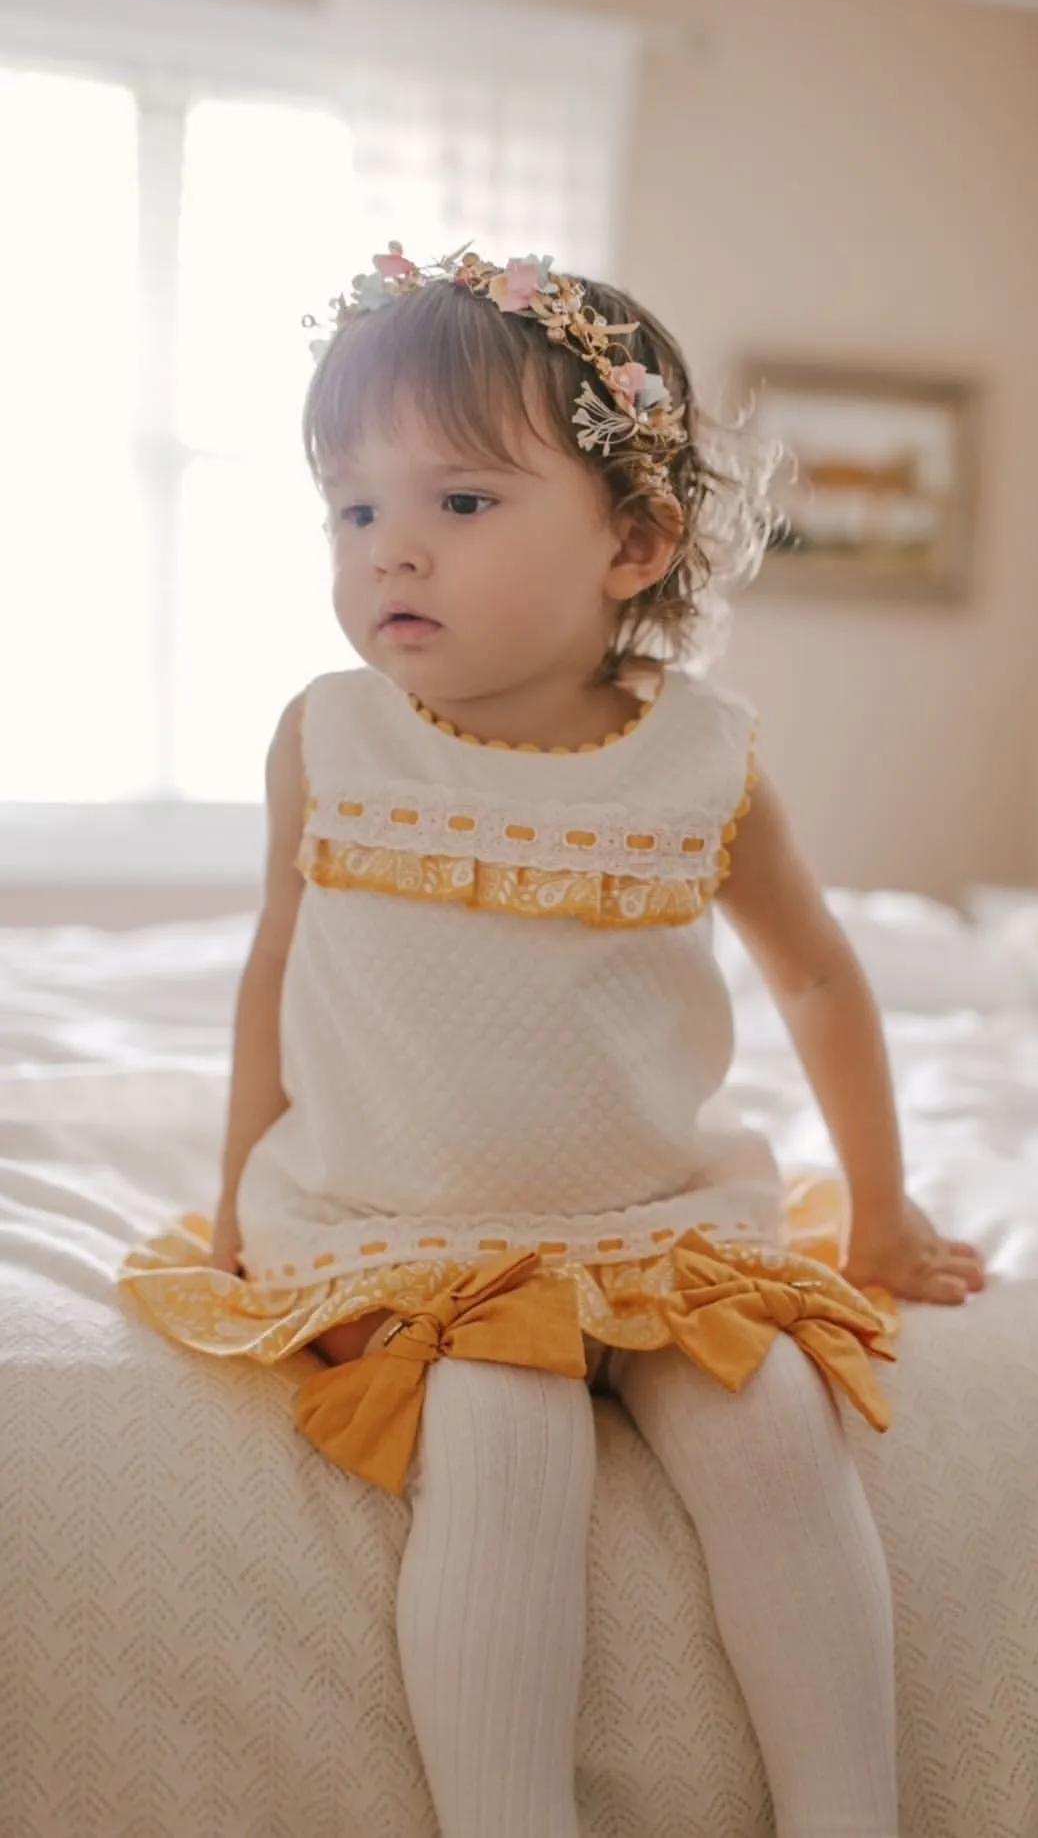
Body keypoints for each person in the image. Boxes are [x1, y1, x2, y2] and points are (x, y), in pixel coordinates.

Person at [121, 243, 984, 1838]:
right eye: (352, 508)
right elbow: (276, 965)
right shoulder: (333, 736)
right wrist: (241, 1198)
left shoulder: (703, 762)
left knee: (774, 1431)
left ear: (633, 543)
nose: (391, 551)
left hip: (649, 1210)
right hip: (404, 1220)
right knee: (502, 1436)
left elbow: (813, 980)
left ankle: (848, 1813)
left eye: (458, 503)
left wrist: (881, 1206)